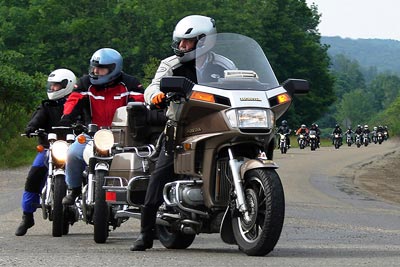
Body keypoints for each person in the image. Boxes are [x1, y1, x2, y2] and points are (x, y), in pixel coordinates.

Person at [130, 14, 235, 251]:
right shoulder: (171, 65)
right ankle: (146, 233)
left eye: (186, 42)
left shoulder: (225, 65)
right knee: (160, 173)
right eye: (180, 42)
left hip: (218, 125)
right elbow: (153, 86)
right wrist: (154, 96)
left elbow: (239, 84)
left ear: (203, 41)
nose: (181, 47)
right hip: (182, 126)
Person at [60, 48, 144, 205]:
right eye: (94, 67)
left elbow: (141, 104)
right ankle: (74, 188)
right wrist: (66, 117)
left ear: (114, 69)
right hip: (92, 133)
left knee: (141, 160)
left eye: (101, 68)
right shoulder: (85, 83)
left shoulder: (130, 83)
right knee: (72, 154)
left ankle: (136, 193)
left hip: (122, 136)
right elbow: (73, 100)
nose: (96, 71)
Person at [15, 69, 76, 236]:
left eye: (57, 86)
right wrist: (31, 127)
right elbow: (37, 118)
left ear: (67, 85)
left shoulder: (77, 103)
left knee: (89, 171)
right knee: (34, 175)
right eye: (52, 86)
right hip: (50, 148)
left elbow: (85, 119)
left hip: (73, 148)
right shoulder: (46, 105)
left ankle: (92, 203)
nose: (53, 89)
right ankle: (27, 216)